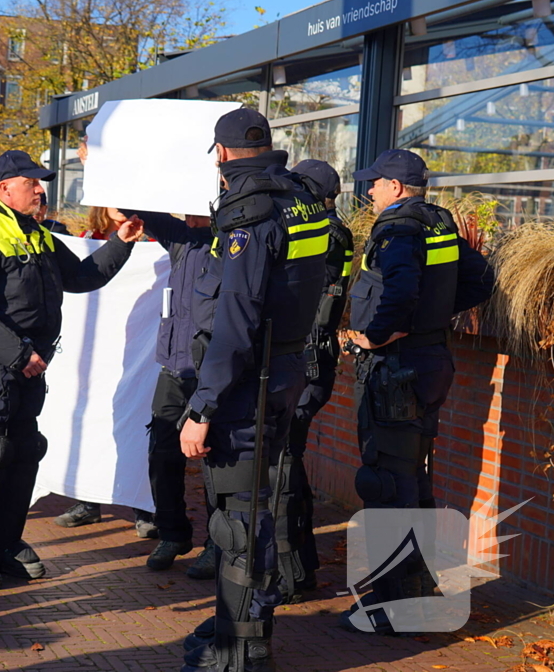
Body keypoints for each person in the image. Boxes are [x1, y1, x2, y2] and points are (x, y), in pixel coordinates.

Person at [0, 149, 143, 590]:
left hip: (30, 366)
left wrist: (121, 240)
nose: (39, 188)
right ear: (1, 188)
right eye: (30, 181)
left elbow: (84, 276)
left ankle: (5, 543)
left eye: (40, 180)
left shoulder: (37, 232)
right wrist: (17, 353)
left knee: (23, 450)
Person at [179, 109, 330, 672]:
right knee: (254, 505)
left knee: (238, 515)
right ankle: (238, 627)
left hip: (249, 384)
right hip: (285, 369)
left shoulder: (251, 210)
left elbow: (236, 322)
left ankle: (241, 649)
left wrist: (202, 406)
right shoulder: (301, 198)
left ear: (221, 153)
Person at [339, 149, 494, 634]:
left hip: (398, 369)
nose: (370, 191)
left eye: (377, 183)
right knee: (414, 479)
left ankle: (391, 607)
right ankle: (416, 589)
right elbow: (481, 279)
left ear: (398, 187)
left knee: (387, 485)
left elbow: (400, 289)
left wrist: (379, 333)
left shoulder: (399, 227)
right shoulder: (439, 222)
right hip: (430, 362)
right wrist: (432, 315)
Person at [262, 159, 355, 604]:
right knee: (286, 464)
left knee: (282, 467)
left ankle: (291, 573)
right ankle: (298, 567)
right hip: (310, 362)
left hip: (306, 363)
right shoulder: (328, 229)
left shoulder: (324, 232)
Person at [109, 210, 217, 576]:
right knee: (161, 453)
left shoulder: (231, 241)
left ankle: (218, 545)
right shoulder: (182, 238)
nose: (185, 212)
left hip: (213, 372)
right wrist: (104, 162)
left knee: (215, 462)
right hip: (175, 368)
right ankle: (173, 533)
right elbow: (137, 207)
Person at [54, 205, 157, 539]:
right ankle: (88, 500)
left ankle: (145, 505)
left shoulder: (153, 242)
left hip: (138, 352)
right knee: (88, 422)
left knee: (141, 425)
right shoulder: (87, 240)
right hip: (95, 355)